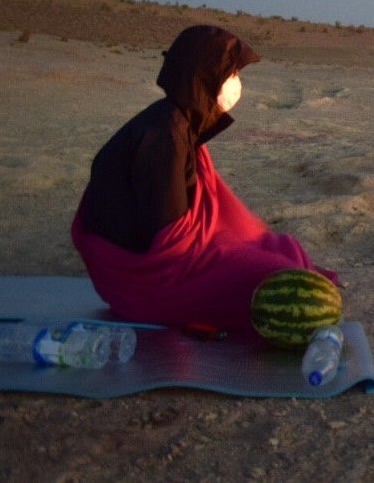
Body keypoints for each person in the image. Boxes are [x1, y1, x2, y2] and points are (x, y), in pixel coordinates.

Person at [71, 25, 338, 337]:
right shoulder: (166, 135)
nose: (238, 83)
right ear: (205, 77)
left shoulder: (179, 122)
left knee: (273, 252)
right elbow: (171, 243)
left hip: (153, 265)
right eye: (233, 74)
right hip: (145, 282)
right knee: (274, 277)